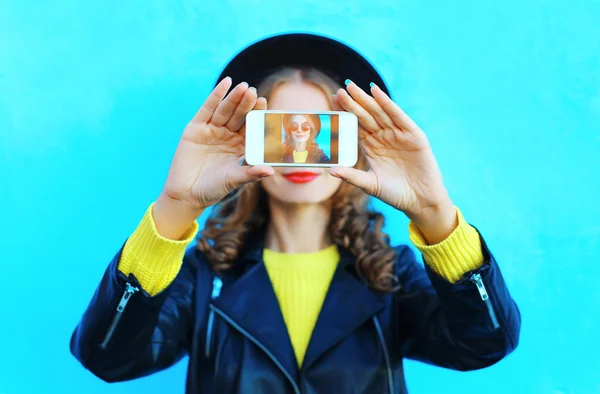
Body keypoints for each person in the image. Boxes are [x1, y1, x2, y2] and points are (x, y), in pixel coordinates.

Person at [70, 33, 521, 394]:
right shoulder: (202, 280)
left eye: (325, 128)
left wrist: (434, 213)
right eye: (278, 129)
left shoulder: (394, 276)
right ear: (245, 140)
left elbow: (487, 343)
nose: (302, 154)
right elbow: (107, 358)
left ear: (355, 144)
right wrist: (175, 207)